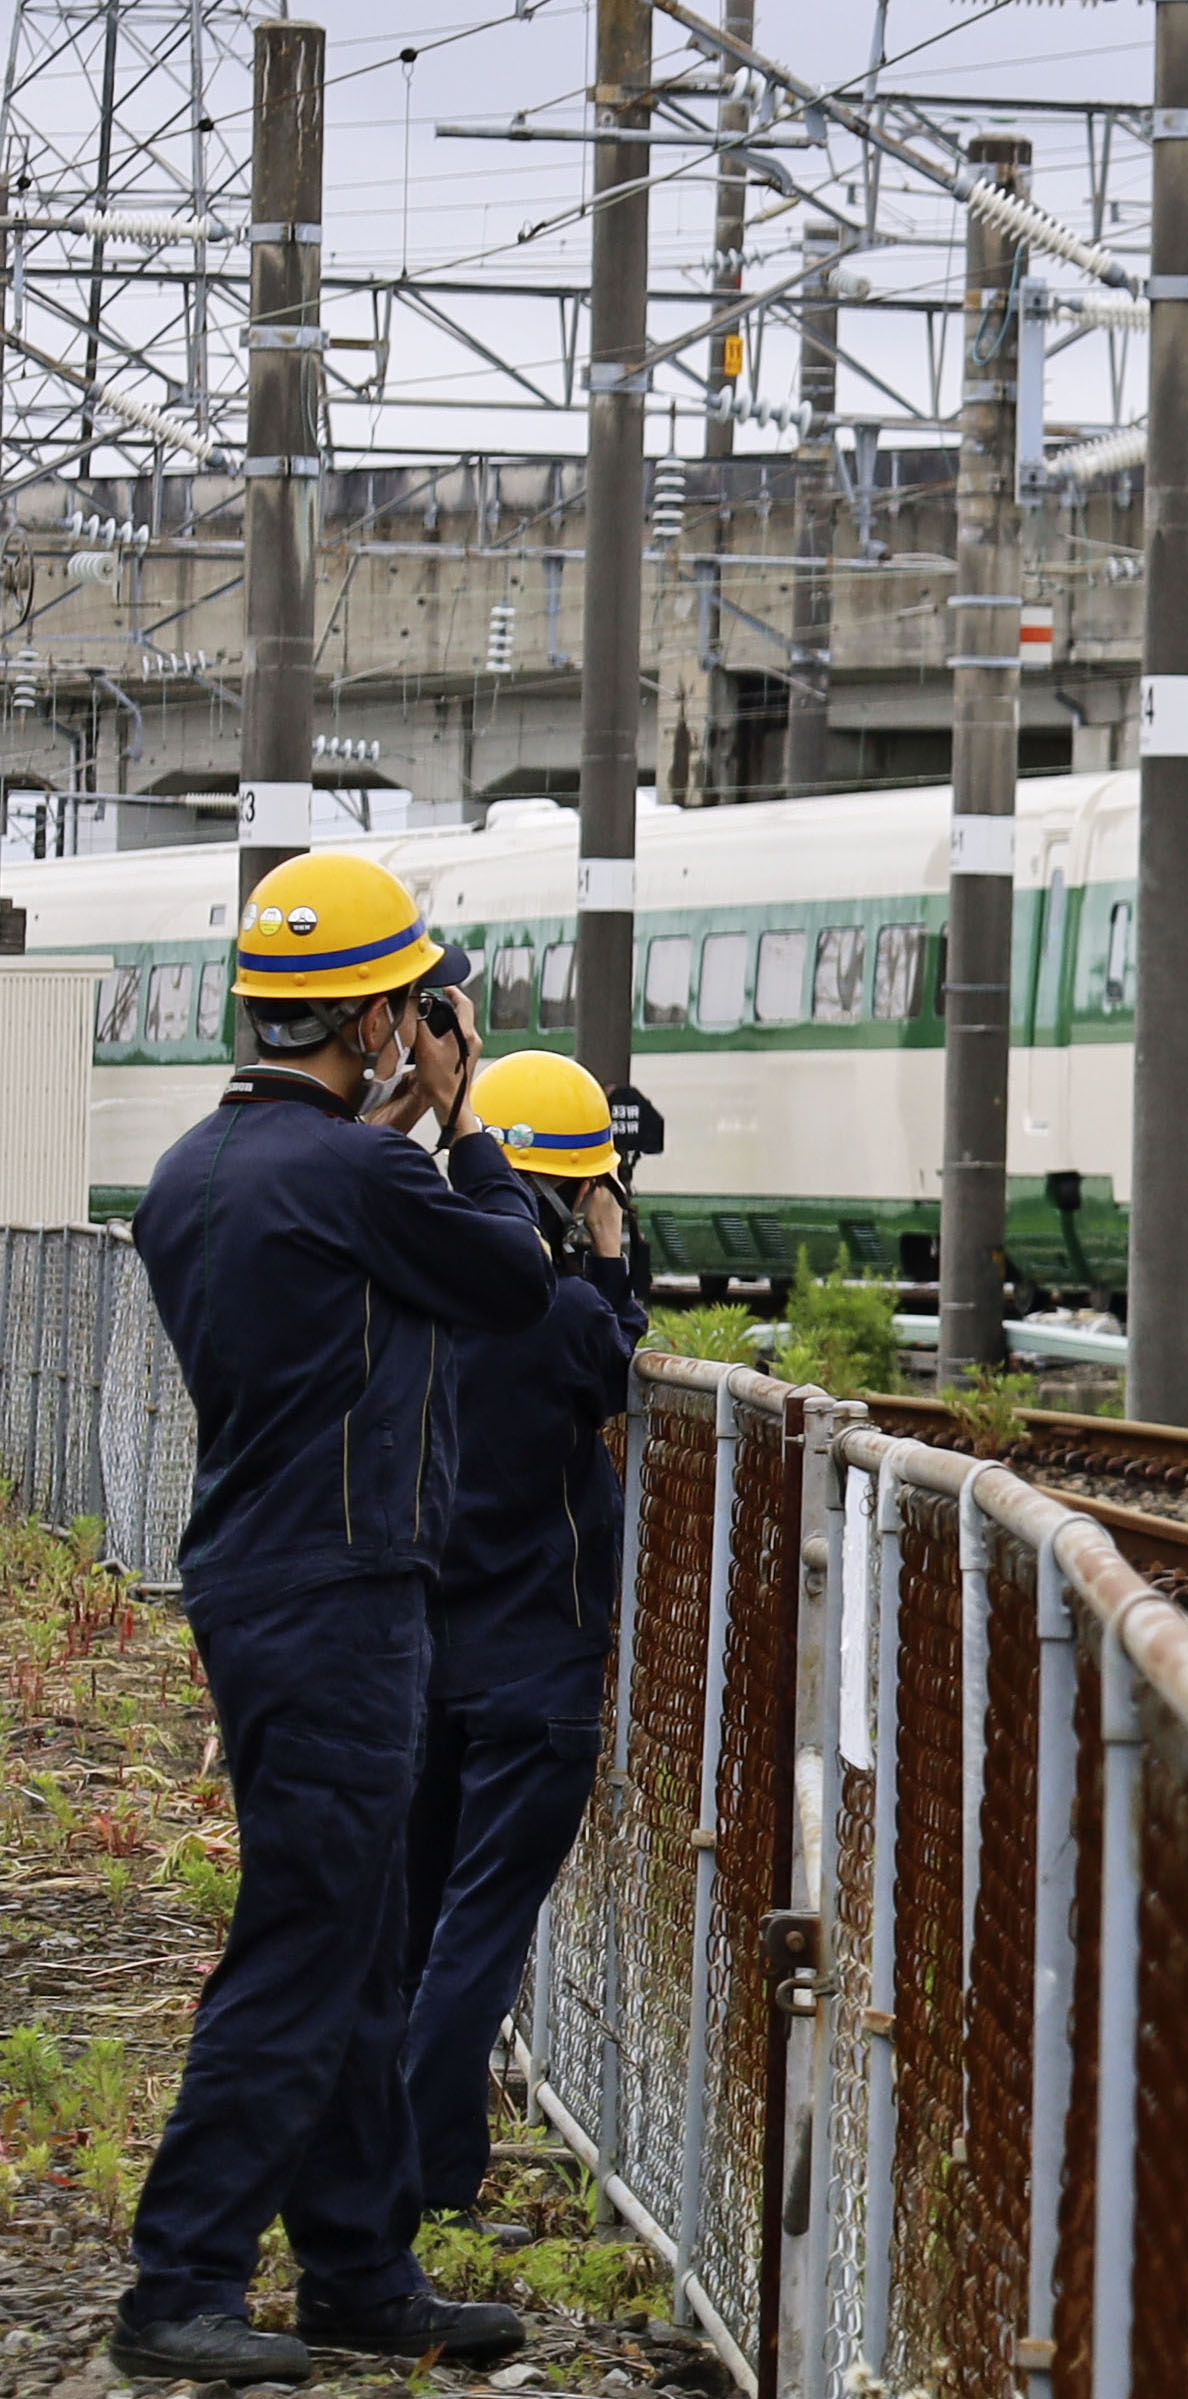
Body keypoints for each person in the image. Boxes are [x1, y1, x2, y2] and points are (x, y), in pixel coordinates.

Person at [117, 851, 554, 2384]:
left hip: (262, 1576)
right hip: (343, 1592)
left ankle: (359, 2268)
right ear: (375, 1019)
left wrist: (398, 1126)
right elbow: (511, 1278)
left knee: (364, 1934)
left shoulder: (194, 1171)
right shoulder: (367, 1175)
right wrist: (472, 1118)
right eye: (412, 1011)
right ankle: (180, 2276)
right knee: (309, 1939)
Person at [401, 1049, 647, 2225]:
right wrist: (609, 1240)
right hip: (536, 1673)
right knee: (479, 1933)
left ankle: (376, 2167)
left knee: (412, 1919)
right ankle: (430, 2177)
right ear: (567, 1189)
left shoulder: (416, 1297)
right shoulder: (559, 1315)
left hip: (421, 1656)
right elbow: (616, 1351)